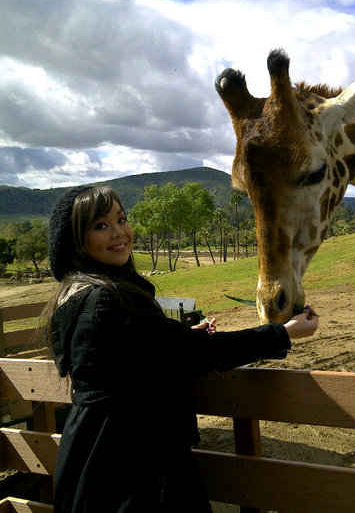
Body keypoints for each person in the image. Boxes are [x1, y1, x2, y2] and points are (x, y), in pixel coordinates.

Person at [45, 185, 318, 513]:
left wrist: (178, 337)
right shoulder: (109, 299)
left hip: (90, 452)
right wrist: (283, 333)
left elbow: (134, 355)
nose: (120, 233)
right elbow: (199, 352)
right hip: (132, 462)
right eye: (100, 226)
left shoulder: (75, 296)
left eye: (121, 219)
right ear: (77, 241)